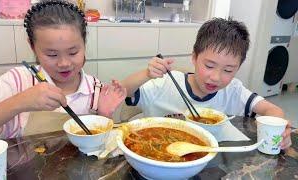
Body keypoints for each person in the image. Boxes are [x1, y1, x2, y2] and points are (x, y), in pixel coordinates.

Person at [121, 18, 291, 149]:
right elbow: (125, 90)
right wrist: (147, 74)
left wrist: (280, 131)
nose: (216, 77)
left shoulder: (234, 91)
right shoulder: (165, 84)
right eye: (209, 66)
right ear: (194, 57)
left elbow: (272, 110)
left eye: (228, 70)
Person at [0, 0, 126, 140]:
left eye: (73, 52)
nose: (64, 63)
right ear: (33, 46)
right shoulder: (17, 81)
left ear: (84, 43)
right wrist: (20, 102)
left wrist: (104, 115)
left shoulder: (94, 88)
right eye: (52, 54)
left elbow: (98, 147)